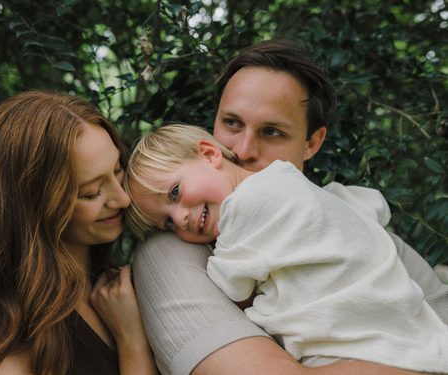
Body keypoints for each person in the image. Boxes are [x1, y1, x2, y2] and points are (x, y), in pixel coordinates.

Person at [131, 39, 448, 375]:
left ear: (312, 143)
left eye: (271, 132)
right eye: (232, 123)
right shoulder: (172, 252)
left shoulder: (352, 222)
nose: (242, 150)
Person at [0, 91, 158, 375]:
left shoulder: (117, 283)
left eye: (118, 169)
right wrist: (132, 344)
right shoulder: (2, 363)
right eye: (90, 192)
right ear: (30, 209)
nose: (122, 199)